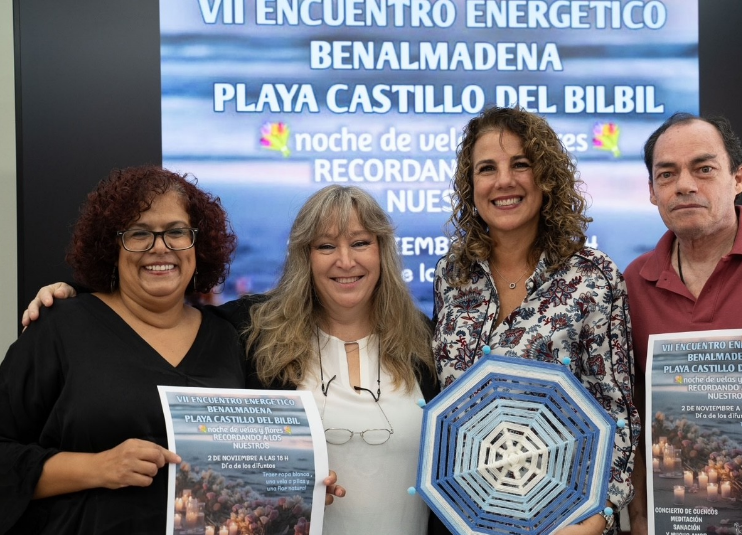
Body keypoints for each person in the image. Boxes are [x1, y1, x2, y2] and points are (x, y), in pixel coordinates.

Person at [22, 185, 441, 535]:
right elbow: (161, 311)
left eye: (361, 243)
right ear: (304, 257)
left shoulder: (425, 341)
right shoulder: (255, 329)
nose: (345, 260)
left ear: (383, 251)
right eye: (326, 245)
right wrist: (79, 293)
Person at [0, 166, 246, 533]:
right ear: (111, 247)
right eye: (139, 233)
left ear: (199, 244)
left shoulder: (231, 339)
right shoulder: (61, 327)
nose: (160, 247)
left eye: (177, 232)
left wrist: (299, 483)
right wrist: (98, 468)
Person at [432, 106, 640, 535]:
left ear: (546, 177)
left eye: (520, 165)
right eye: (487, 168)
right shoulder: (451, 276)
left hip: (570, 520)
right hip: (473, 519)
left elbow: (619, 414)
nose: (504, 181)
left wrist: (598, 518)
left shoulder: (592, 276)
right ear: (471, 187)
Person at [623, 112, 742, 535]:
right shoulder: (632, 282)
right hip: (683, 514)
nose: (684, 184)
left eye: (703, 168)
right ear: (652, 192)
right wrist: (640, 516)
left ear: (739, 178)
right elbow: (632, 414)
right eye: (667, 174)